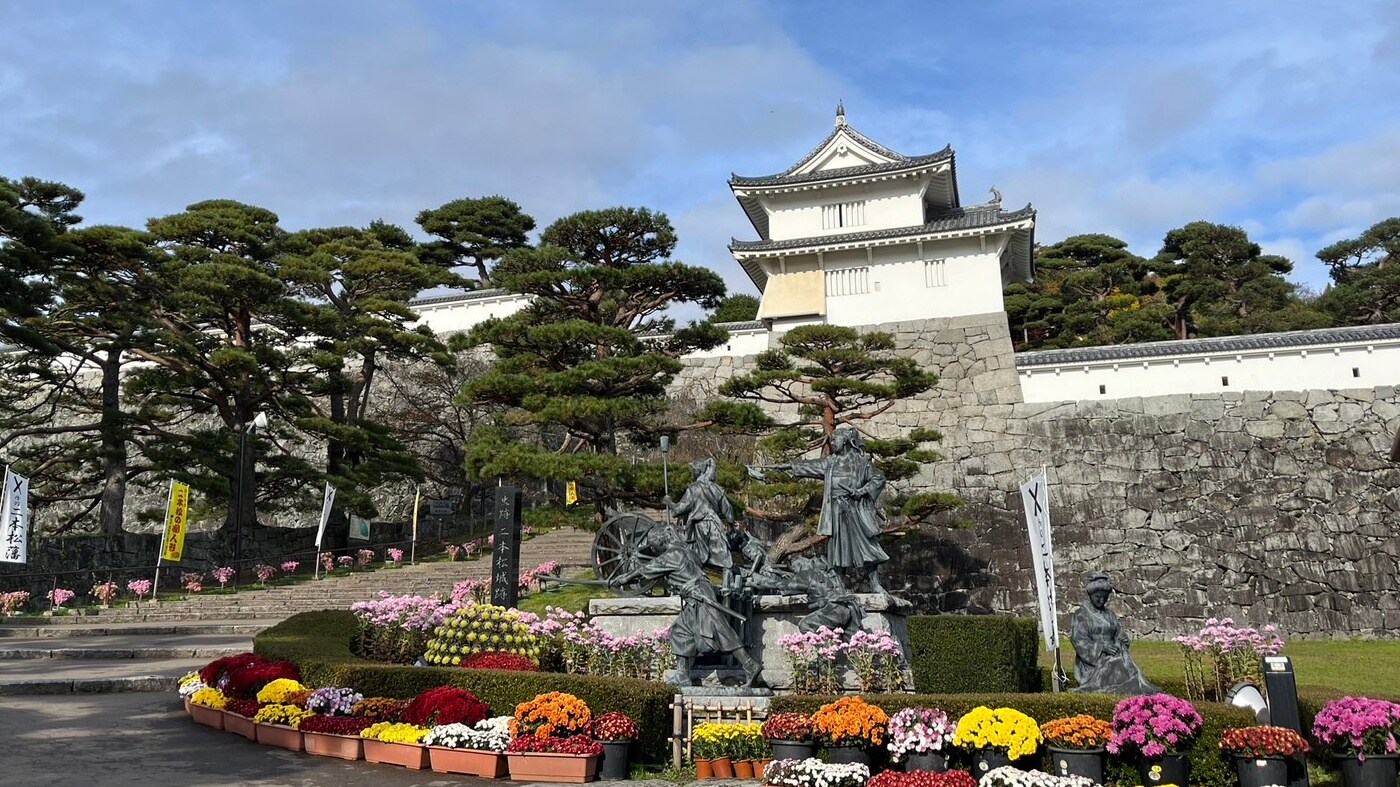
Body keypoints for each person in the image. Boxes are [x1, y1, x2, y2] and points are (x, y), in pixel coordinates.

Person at [609, 526, 764, 688]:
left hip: (699, 596)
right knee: (680, 631)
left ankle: (750, 665)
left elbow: (647, 569)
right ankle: (682, 676)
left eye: (652, 545)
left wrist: (623, 578)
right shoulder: (686, 551)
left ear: (660, 541)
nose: (652, 550)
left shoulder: (673, 554)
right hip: (695, 596)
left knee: (719, 631)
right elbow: (656, 571)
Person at [752, 428, 889, 593]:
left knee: (866, 546)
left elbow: (878, 479)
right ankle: (838, 585)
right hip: (836, 511)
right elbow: (808, 466)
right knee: (838, 549)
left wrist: (861, 491)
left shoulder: (862, 463)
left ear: (845, 440)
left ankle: (875, 584)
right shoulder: (830, 463)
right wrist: (785, 466)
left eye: (835, 439)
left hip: (856, 510)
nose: (832, 443)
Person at [1069, 573, 1160, 695]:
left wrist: (1121, 640)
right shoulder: (1081, 614)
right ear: (1091, 595)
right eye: (1098, 597)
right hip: (1093, 663)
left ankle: (1138, 688)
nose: (1101, 600)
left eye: (1105, 597)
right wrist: (1102, 647)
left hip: (1114, 653)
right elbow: (1079, 641)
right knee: (1118, 664)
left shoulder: (1110, 614)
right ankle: (1134, 688)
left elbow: (1119, 633)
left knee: (1125, 663)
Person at [668, 458, 734, 583]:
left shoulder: (693, 489)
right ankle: (727, 585)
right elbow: (728, 509)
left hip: (700, 526)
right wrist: (731, 525)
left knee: (697, 555)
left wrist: (669, 502)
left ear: (698, 471)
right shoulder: (716, 488)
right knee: (723, 556)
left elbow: (678, 509)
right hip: (715, 524)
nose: (692, 472)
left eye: (693, 470)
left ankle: (696, 581)